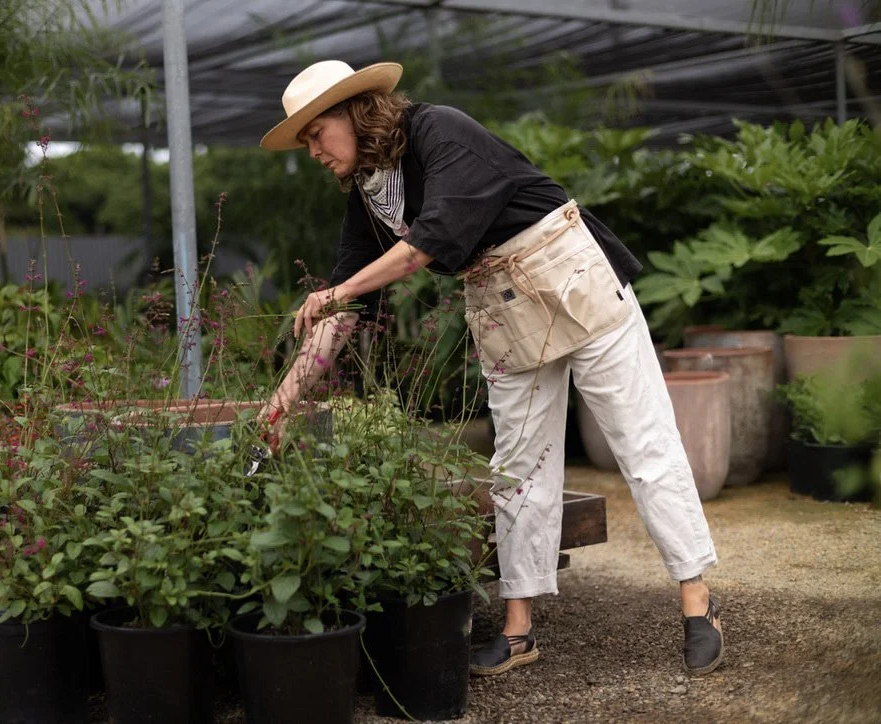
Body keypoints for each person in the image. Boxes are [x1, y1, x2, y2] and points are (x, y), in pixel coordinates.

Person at [257, 59, 723, 677]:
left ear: (355, 111)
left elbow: (427, 244)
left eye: (316, 133)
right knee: (517, 471)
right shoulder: (370, 194)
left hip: (573, 283)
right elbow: (343, 309)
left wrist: (336, 295)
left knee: (644, 445)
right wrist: (279, 404)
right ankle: (519, 631)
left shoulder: (439, 132)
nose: (313, 151)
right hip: (501, 309)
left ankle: (698, 605)